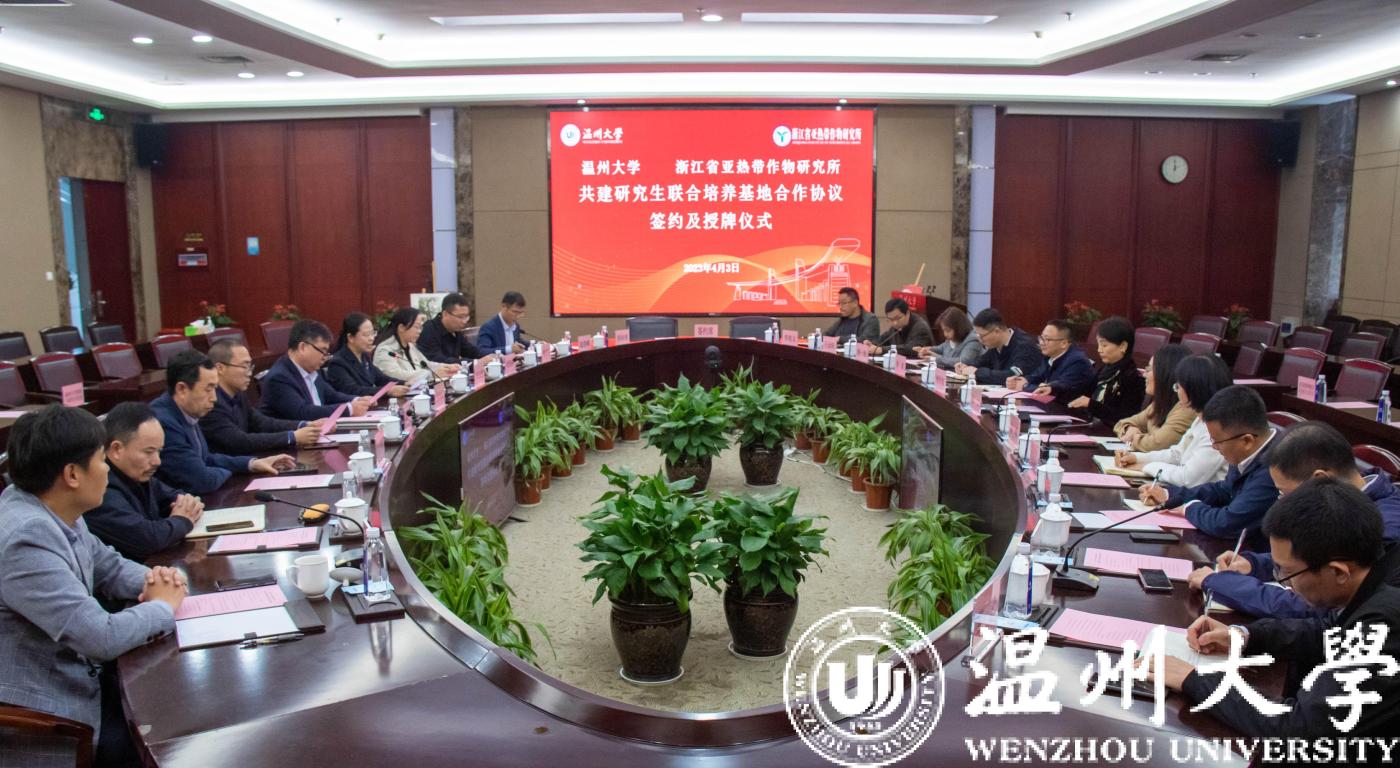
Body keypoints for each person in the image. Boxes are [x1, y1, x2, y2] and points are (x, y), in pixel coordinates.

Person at [0, 405, 186, 768]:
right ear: (72, 474)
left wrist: (162, 581)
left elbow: (109, 566)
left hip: (85, 677)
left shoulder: (53, 507)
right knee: (169, 737)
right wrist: (163, 606)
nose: (107, 470)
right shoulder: (27, 537)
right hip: (51, 713)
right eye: (102, 460)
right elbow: (101, 636)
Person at [1152, 477, 1400, 737]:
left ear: (1338, 572)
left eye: (1286, 572)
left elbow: (1302, 728)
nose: (1284, 582)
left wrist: (1195, 680)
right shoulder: (1374, 575)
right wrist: (1247, 637)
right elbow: (1330, 631)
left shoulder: (1388, 620)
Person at [1188, 421, 1400, 618]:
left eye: (1284, 493)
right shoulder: (1346, 503)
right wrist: (1254, 564)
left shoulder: (1386, 532)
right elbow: (1316, 557)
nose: (1281, 502)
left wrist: (1222, 584)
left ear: (1319, 480)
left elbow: (1317, 607)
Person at [1141, 385, 1279, 539]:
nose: (1214, 447)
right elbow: (1224, 490)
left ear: (1246, 441)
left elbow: (1227, 524)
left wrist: (1189, 508)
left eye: (1217, 441)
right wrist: (1171, 495)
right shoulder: (1246, 449)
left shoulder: (1275, 467)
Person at [155, 349, 295, 494]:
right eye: (208, 389)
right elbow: (203, 480)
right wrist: (229, 471)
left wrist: (252, 464)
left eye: (215, 388)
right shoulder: (164, 423)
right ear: (182, 389)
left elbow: (205, 459)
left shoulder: (186, 409)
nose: (214, 398)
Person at [84, 402, 205, 560]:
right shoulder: (100, 488)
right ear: (116, 449)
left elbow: (176, 498)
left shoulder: (137, 474)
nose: (157, 461)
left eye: (159, 451)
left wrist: (187, 505)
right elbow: (148, 538)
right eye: (149, 452)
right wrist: (182, 520)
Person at [1115, 354, 1231, 488]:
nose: (1176, 391)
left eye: (1178, 387)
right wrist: (1137, 458)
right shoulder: (1201, 419)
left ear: (1194, 389)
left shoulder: (1218, 428)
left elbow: (1187, 478)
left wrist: (1146, 466)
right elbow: (1177, 454)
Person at [202, 339, 324, 455]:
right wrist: (292, 436)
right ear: (220, 368)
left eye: (250, 366)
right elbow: (239, 441)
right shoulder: (210, 402)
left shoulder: (238, 394)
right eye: (244, 366)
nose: (249, 373)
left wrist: (305, 425)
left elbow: (261, 423)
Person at [259, 320, 374, 422]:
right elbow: (302, 412)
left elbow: (331, 395)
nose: (325, 358)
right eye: (322, 351)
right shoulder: (279, 377)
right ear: (303, 347)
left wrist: (357, 400)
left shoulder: (312, 368)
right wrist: (349, 409)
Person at [1113, 344, 1194, 452]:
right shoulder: (1159, 404)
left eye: (1149, 369)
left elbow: (1158, 444)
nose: (1144, 375)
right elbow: (1121, 423)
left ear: (1165, 373)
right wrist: (1130, 429)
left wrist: (1134, 438)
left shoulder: (1187, 407)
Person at [1067, 316, 1145, 426]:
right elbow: (1083, 393)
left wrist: (1091, 405)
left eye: (1104, 345)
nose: (1099, 350)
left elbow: (1127, 418)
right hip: (1090, 426)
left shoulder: (1131, 378)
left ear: (1123, 346)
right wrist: (1055, 388)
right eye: (1099, 344)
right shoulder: (1105, 369)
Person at [1005, 319, 1095, 404]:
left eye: (1047, 339)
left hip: (1069, 411)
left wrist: (1024, 386)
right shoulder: (1049, 356)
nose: (1041, 343)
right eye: (1041, 338)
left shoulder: (1077, 361)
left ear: (1064, 343)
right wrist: (1021, 380)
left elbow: (1055, 390)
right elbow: (1037, 376)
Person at [323, 312, 412, 398]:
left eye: (373, 333)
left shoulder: (364, 356)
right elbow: (353, 390)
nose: (371, 338)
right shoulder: (337, 363)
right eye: (366, 335)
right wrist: (387, 390)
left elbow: (381, 378)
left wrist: (405, 383)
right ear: (350, 337)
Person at [954, 308, 1042, 386]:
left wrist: (977, 372)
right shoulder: (995, 345)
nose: (980, 340)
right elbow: (981, 361)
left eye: (982, 336)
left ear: (996, 331)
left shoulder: (1024, 346)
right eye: (978, 336)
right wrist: (965, 366)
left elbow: (1012, 376)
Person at [373, 307, 460, 385]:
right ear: (401, 327)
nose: (419, 331)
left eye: (421, 327)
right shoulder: (384, 350)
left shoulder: (410, 346)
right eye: (416, 327)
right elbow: (396, 375)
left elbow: (425, 364)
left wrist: (446, 367)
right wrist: (431, 374)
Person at [417, 292, 492, 364]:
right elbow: (439, 361)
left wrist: (490, 357)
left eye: (466, 317)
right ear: (445, 314)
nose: (464, 321)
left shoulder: (456, 330)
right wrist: (475, 362)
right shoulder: (428, 330)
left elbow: (471, 351)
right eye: (460, 317)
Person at [914, 306, 983, 370]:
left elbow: (963, 361)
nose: (945, 334)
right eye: (943, 330)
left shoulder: (973, 340)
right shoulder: (951, 338)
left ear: (958, 327)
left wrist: (936, 358)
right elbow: (940, 348)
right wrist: (926, 350)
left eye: (948, 330)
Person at [865, 297, 934, 358]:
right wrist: (872, 344)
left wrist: (882, 350)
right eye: (891, 319)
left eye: (898, 318)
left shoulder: (920, 328)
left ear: (907, 313)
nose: (895, 323)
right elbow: (883, 340)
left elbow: (911, 348)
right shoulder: (896, 326)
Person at [476, 291, 530, 355]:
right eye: (515, 312)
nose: (518, 316)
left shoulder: (516, 326)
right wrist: (509, 349)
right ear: (504, 307)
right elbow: (482, 351)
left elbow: (520, 342)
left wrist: (535, 344)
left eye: (521, 313)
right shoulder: (488, 327)